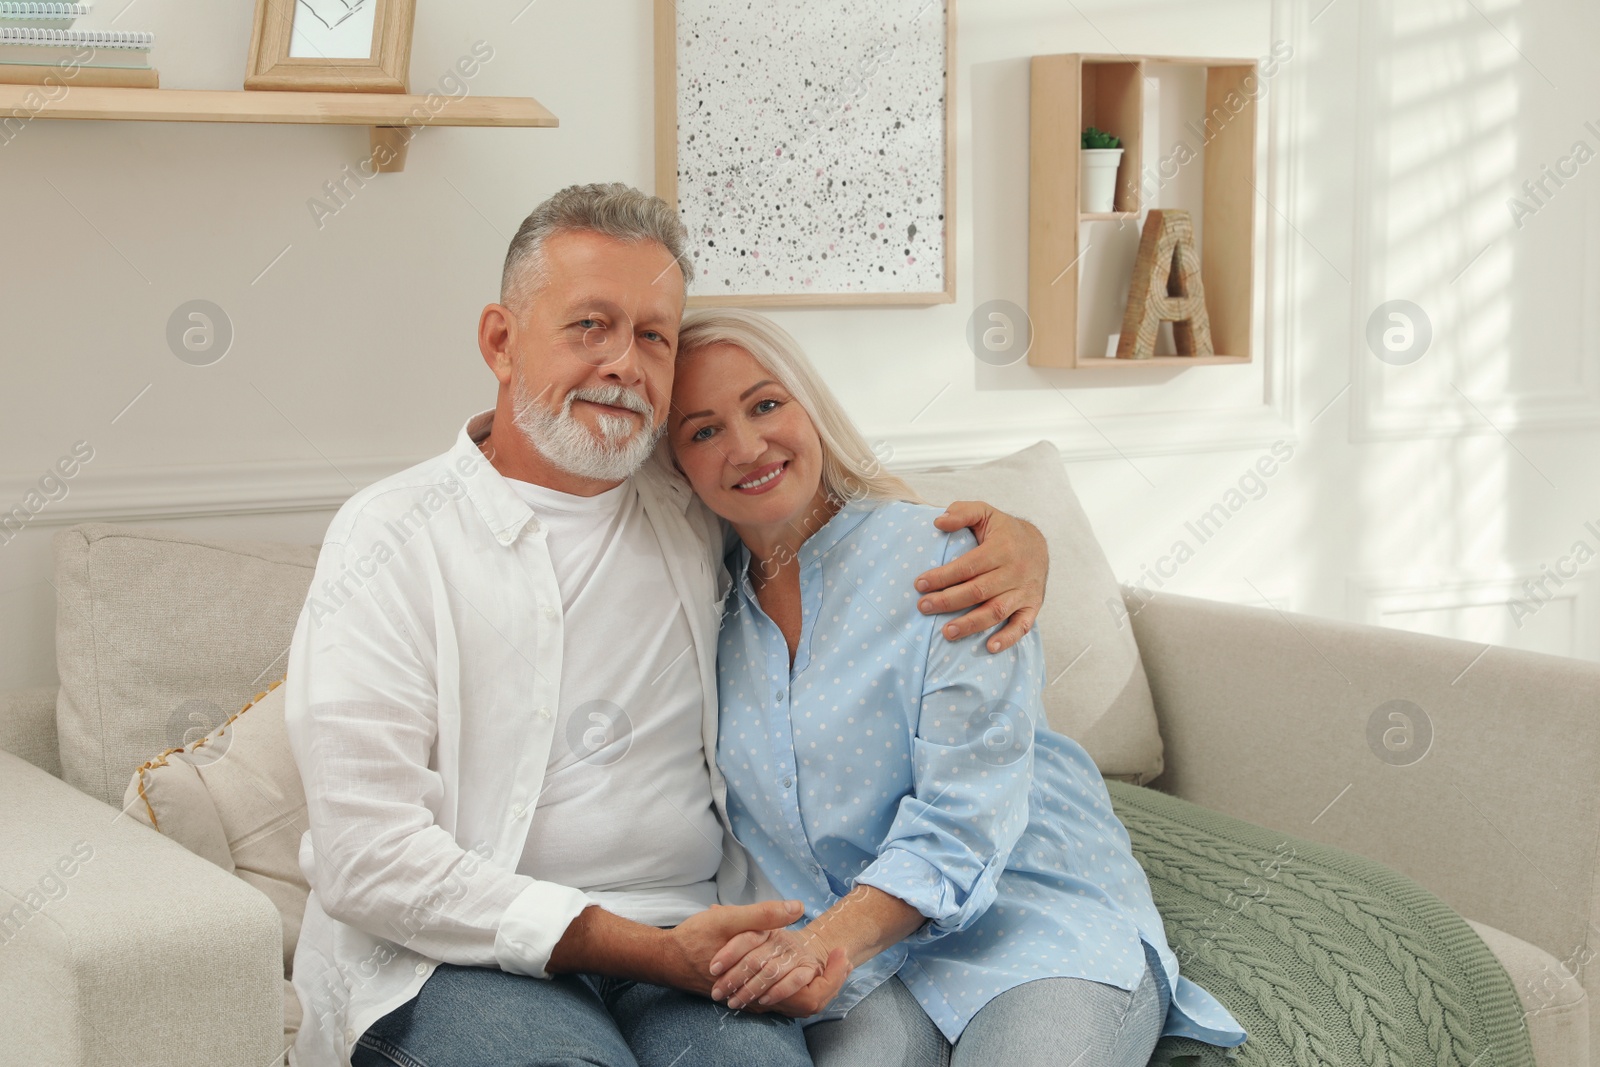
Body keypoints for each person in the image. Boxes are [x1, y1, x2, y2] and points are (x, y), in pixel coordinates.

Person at [283, 183, 1052, 1067]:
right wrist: (648, 951)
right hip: (462, 957)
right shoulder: (389, 536)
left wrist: (1024, 542)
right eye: (589, 326)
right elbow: (366, 857)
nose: (623, 362)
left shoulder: (694, 505)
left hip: (697, 939)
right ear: (501, 340)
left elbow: (831, 514)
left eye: (652, 335)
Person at [664, 308, 1250, 1067]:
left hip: (1033, 922)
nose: (746, 445)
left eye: (766, 403)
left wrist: (817, 944)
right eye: (702, 431)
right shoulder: (701, 614)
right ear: (674, 465)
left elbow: (966, 816)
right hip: (864, 969)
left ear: (811, 405)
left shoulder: (947, 561)